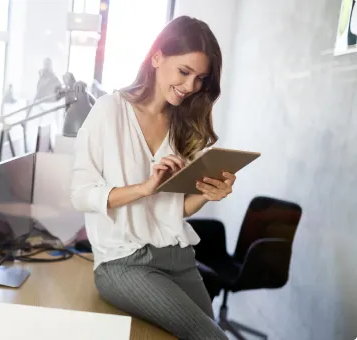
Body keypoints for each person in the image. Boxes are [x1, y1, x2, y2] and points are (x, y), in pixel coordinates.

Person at [70, 16, 233, 339]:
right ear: (157, 57)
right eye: (184, 72)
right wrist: (144, 188)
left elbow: (176, 211)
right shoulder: (109, 111)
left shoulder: (184, 125)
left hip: (180, 258)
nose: (190, 87)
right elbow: (80, 194)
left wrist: (206, 194)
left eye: (200, 78)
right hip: (125, 262)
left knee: (210, 332)